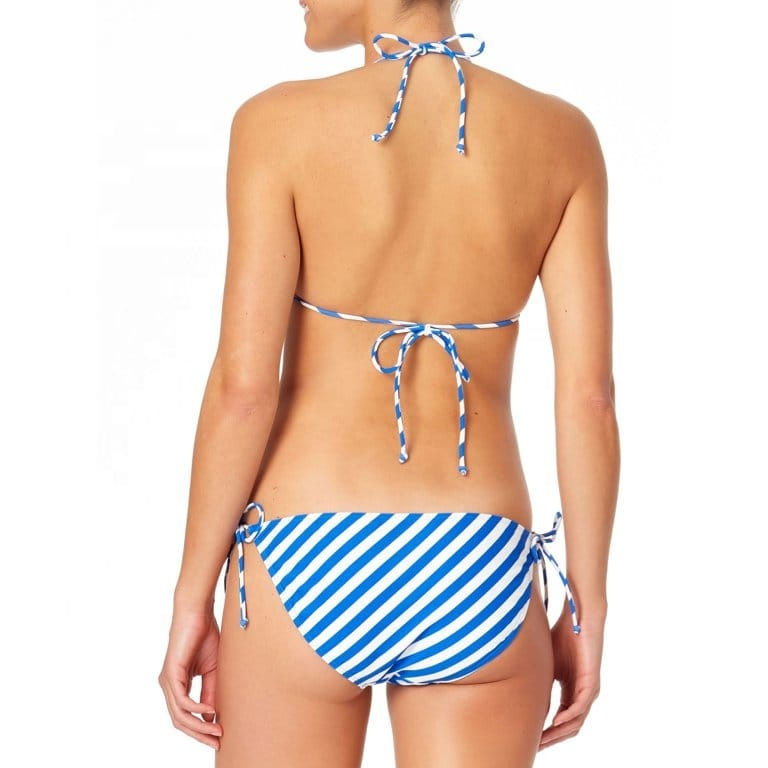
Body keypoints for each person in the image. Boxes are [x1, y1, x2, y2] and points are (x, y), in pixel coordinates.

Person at [157, 0, 619, 765]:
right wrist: (585, 609)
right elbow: (589, 399)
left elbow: (243, 390)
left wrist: (190, 597)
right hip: (480, 564)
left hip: (303, 552)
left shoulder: (276, 123)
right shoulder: (562, 135)